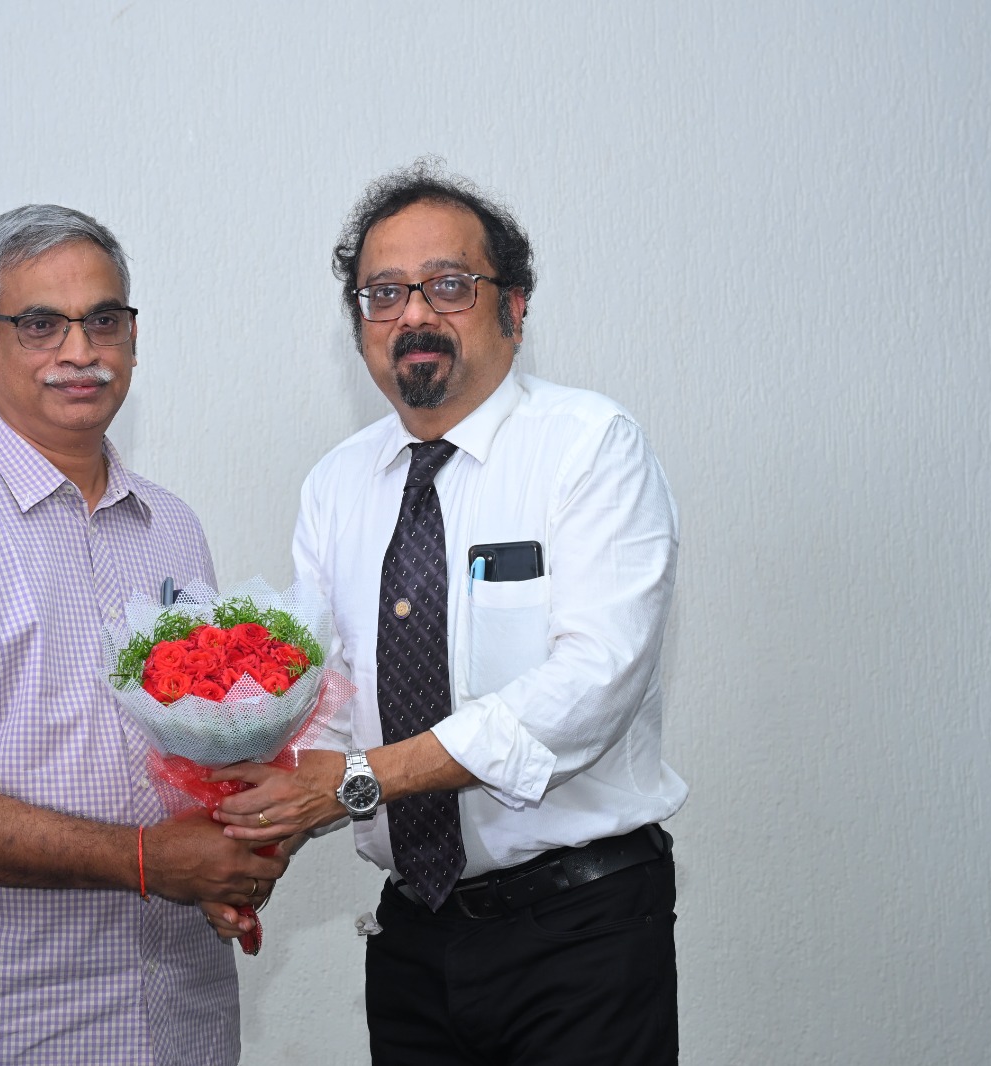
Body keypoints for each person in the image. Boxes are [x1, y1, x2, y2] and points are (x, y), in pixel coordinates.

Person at [208, 163, 688, 1064]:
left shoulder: (589, 448)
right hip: (412, 941)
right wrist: (251, 841)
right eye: (384, 293)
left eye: (449, 285)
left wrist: (361, 781)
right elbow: (331, 708)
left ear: (515, 308)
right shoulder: (335, 486)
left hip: (579, 935)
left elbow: (592, 684)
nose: (414, 315)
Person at [0, 204, 284, 1066]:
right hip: (1, 1032)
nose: (81, 351)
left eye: (104, 321)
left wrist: (235, 845)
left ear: (133, 339)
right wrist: (147, 860)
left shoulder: (172, 527)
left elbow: (195, 750)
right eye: (41, 324)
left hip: (182, 1026)